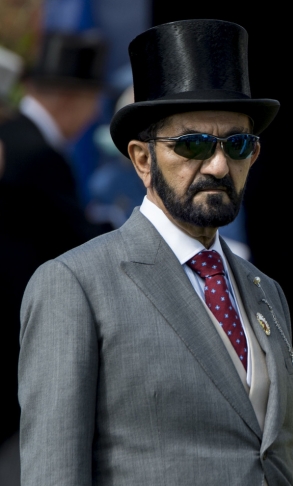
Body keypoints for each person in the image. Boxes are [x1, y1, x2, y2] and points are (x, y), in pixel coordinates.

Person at [18, 19, 293, 485]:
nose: (218, 165)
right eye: (193, 144)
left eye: (237, 144)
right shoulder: (75, 284)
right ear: (142, 159)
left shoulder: (266, 291)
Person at [0, 30, 107, 471]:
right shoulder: (39, 157)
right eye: (93, 101)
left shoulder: (11, 137)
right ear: (71, 99)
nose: (93, 115)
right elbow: (79, 243)